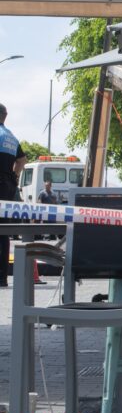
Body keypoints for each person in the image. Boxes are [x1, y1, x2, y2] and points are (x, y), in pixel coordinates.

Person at [0, 103, 26, 288]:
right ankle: (2, 277)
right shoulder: (11, 136)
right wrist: (15, 176)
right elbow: (22, 160)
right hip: (8, 187)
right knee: (4, 233)